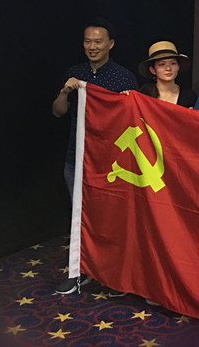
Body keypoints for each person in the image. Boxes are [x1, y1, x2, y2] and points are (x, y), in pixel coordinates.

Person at [51, 17, 137, 294]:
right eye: (88, 41)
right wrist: (65, 91)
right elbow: (58, 112)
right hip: (76, 158)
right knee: (81, 217)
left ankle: (115, 275)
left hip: (110, 163)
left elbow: (133, 122)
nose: (92, 46)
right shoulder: (75, 73)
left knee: (111, 219)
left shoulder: (123, 77)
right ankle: (81, 271)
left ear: (110, 44)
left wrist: (128, 102)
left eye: (98, 41)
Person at [137, 40, 197, 107]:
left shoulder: (189, 96)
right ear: (153, 70)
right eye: (162, 64)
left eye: (173, 63)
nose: (168, 68)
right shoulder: (143, 95)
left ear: (178, 67)